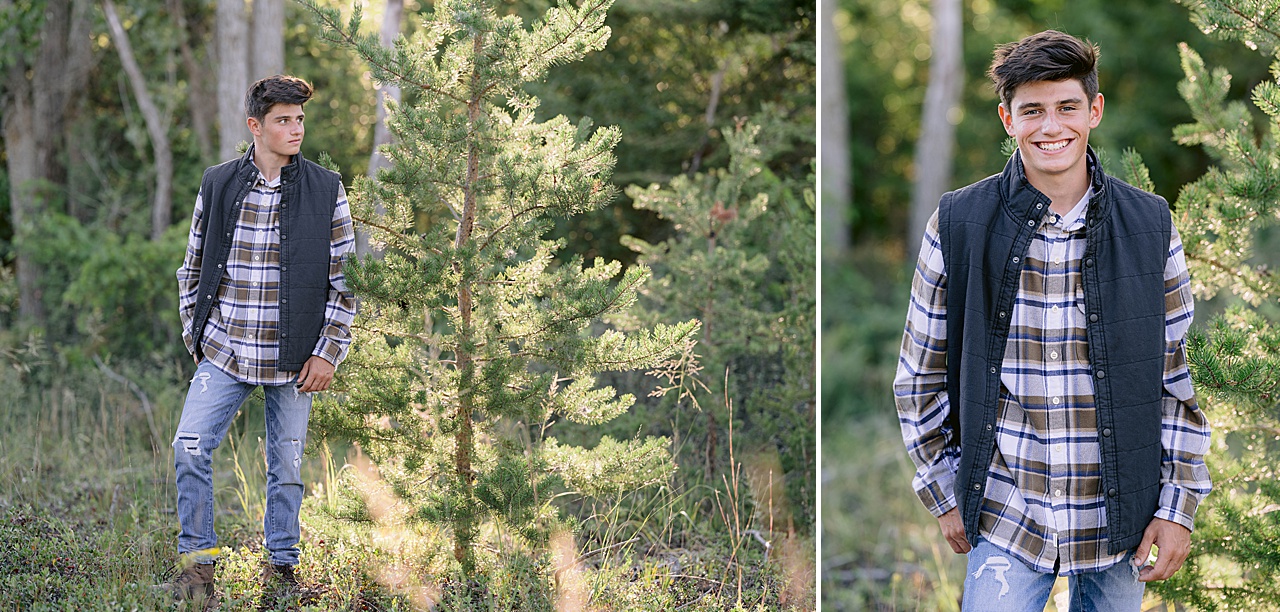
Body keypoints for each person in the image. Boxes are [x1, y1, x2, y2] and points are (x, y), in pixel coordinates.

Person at [893, 30, 1211, 611]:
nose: (1050, 126)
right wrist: (944, 492)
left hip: (1122, 513)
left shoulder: (1151, 226)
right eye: (1031, 110)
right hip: (1006, 511)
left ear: (1094, 110)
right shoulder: (958, 223)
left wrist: (1177, 508)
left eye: (1067, 107)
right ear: (1007, 119)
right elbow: (918, 376)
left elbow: (1178, 382)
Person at [162, 74, 356, 602]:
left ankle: (282, 570)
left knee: (287, 466)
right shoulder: (219, 182)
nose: (295, 129)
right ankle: (199, 568)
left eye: (299, 120)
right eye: (283, 121)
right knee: (189, 446)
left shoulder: (326, 189)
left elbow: (347, 283)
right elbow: (193, 265)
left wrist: (327, 352)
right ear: (256, 126)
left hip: (295, 358)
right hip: (225, 351)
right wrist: (196, 335)